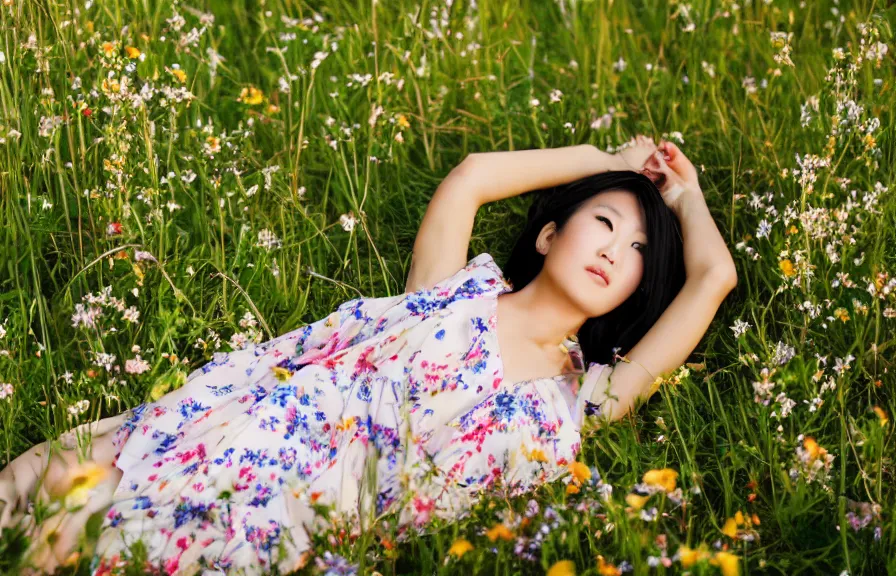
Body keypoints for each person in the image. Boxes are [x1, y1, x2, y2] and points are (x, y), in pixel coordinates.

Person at [0, 136, 737, 575]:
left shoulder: (586, 400)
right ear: (548, 236)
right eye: (604, 222)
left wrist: (688, 197)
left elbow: (714, 279)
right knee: (42, 476)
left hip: (294, 523)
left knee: (73, 540)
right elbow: (474, 176)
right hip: (242, 432)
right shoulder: (456, 290)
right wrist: (608, 159)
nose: (615, 247)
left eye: (639, 250)